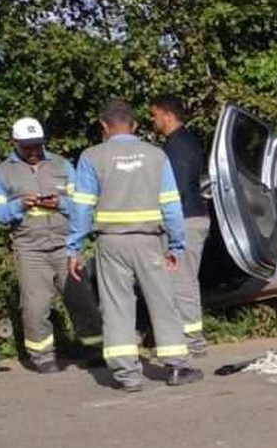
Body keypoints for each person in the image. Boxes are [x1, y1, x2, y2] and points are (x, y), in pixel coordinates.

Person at [67, 99, 202, 392]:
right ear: (135, 125)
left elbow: (81, 208)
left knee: (116, 307)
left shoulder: (92, 157)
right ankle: (177, 366)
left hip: (110, 243)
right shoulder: (156, 156)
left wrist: (74, 248)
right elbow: (171, 205)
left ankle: (127, 375)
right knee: (162, 301)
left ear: (104, 126)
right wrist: (176, 245)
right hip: (149, 242)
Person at [0, 117, 103, 373]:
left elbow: (82, 205)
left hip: (65, 245)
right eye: (27, 146)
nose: (33, 152)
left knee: (81, 299)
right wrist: (18, 206)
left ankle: (95, 348)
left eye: (37, 145)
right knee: (35, 306)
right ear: (14, 143)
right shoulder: (2, 173)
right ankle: (43, 356)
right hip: (30, 250)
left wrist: (59, 203)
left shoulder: (62, 165)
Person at [149, 95, 210, 356]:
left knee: (182, 281)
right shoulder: (183, 142)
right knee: (179, 279)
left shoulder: (178, 148)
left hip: (184, 219)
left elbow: (180, 188)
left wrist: (169, 224)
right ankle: (184, 334)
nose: (152, 121)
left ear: (167, 115)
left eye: (154, 115)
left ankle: (192, 340)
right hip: (188, 217)